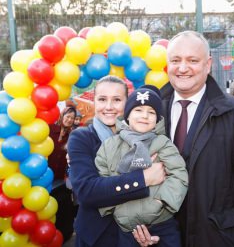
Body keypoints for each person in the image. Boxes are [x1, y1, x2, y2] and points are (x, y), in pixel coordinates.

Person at [134, 31, 234, 247]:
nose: (183, 68)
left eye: (192, 60)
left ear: (208, 64)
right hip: (158, 238)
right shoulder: (147, 112)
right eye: (175, 60)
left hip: (215, 238)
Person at [67, 75, 166, 247]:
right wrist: (143, 179)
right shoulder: (82, 137)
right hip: (96, 236)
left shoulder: (146, 135)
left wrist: (155, 230)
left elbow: (163, 189)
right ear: (94, 102)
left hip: (137, 234)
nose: (109, 107)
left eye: (117, 100)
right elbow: (87, 192)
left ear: (128, 104)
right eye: (102, 99)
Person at [95, 85, 188, 247]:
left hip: (162, 225)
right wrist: (115, 209)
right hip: (126, 229)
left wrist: (161, 202)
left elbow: (179, 174)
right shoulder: (109, 146)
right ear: (128, 115)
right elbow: (102, 179)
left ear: (157, 119)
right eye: (138, 110)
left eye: (151, 112)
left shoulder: (162, 143)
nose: (144, 116)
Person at [48, 105, 77, 242]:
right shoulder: (49, 129)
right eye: (68, 116)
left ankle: (64, 233)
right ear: (62, 116)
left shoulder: (72, 135)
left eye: (72, 118)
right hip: (44, 175)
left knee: (63, 205)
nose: (70, 120)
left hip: (62, 178)